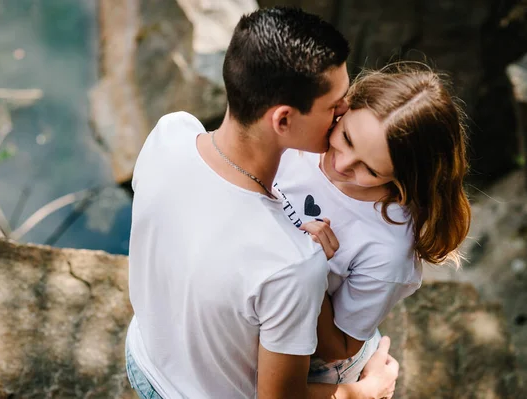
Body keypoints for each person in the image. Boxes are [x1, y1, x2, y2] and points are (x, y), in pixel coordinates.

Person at [124, 6, 399, 399]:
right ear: (283, 120)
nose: (345, 113)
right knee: (366, 354)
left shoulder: (170, 132)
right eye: (335, 106)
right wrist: (365, 392)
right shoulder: (292, 265)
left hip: (144, 357)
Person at [273, 62, 472, 384]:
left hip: (313, 361)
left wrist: (310, 275)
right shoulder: (299, 138)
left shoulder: (387, 248)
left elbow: (339, 347)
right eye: (347, 138)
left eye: (371, 169)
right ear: (344, 107)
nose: (341, 163)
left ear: (406, 180)